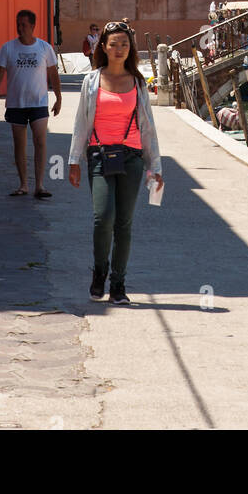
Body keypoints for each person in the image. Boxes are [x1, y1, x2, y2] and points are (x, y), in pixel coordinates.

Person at [68, 21, 163, 305]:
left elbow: (147, 127)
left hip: (131, 157)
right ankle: (99, 272)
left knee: (124, 223)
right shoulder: (92, 81)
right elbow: (81, 123)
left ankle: (118, 283)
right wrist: (74, 160)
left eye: (124, 43)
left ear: (130, 47)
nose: (119, 48)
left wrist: (155, 168)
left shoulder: (137, 82)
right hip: (99, 155)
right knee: (103, 217)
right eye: (114, 44)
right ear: (104, 48)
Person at [0, 9, 61, 199]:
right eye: (18, 24)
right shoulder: (8, 48)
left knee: (40, 141)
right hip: (16, 104)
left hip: (39, 103)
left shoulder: (44, 48)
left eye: (24, 25)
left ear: (32, 26)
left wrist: (58, 98)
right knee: (19, 145)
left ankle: (39, 185)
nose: (20, 28)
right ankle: (23, 185)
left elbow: (53, 74)